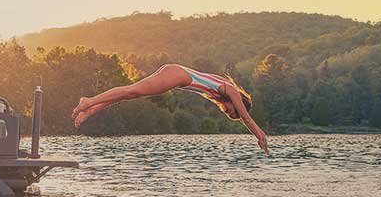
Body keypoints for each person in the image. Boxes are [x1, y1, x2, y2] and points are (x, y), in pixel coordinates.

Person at [72, 64, 270, 152]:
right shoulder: (231, 91)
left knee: (130, 94)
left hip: (175, 73)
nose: (225, 110)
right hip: (177, 76)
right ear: (237, 102)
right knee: (131, 91)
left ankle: (91, 108)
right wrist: (260, 135)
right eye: (230, 110)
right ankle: (89, 101)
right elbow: (246, 118)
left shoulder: (222, 87)